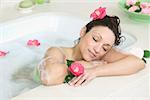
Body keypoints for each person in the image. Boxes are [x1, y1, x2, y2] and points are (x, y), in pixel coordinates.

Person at [33, 7, 145, 87]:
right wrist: (88, 65)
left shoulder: (101, 55)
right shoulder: (57, 51)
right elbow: (49, 76)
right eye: (95, 39)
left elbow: (138, 63)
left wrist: (95, 71)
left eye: (105, 48)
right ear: (83, 32)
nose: (97, 50)